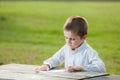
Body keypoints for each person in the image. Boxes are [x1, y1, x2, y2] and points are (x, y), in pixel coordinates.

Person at [35, 16, 106, 73]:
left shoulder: (88, 51)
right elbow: (55, 59)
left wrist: (81, 68)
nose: (68, 42)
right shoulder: (66, 48)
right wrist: (47, 65)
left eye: (72, 39)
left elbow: (101, 67)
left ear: (84, 37)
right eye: (66, 38)